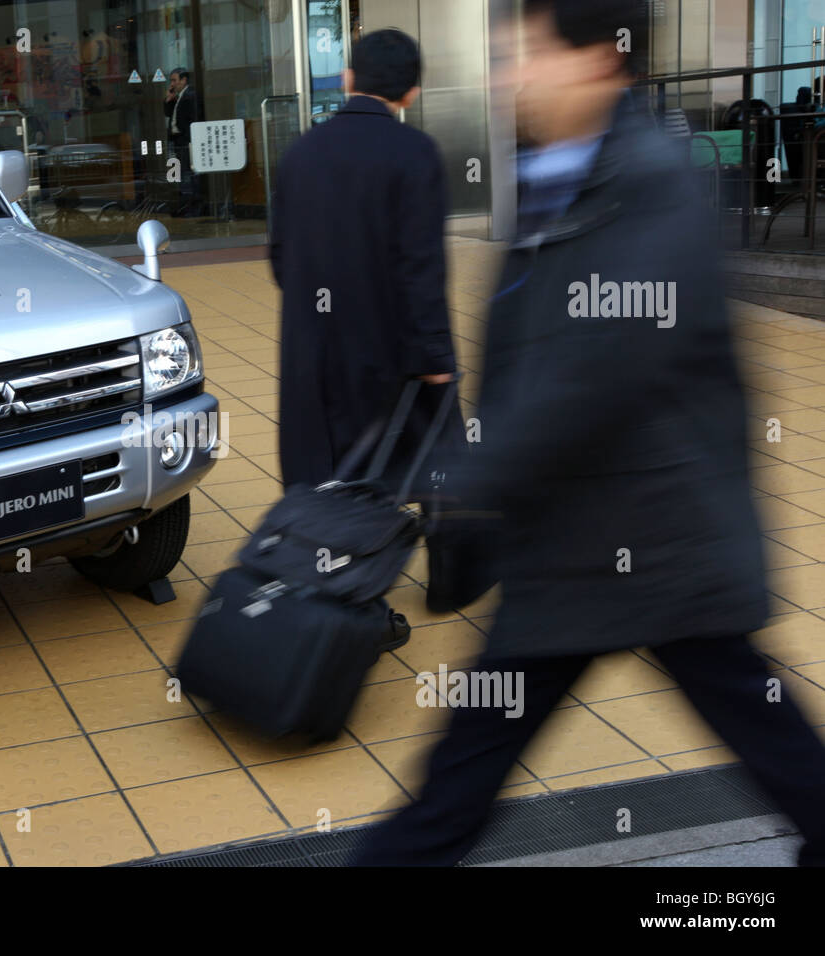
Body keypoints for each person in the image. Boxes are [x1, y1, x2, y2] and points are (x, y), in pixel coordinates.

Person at [355, 0, 825, 867]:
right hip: (586, 538)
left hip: (653, 534)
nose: (510, 75)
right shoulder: (552, 172)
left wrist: (468, 475)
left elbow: (602, 365)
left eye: (528, 53)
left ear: (601, 61)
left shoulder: (652, 179)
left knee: (464, 776)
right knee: (467, 771)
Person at [270, 29, 461, 575]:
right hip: (391, 349)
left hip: (315, 349)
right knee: (426, 455)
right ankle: (447, 575)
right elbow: (421, 268)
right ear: (412, 92)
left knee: (326, 465)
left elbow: (282, 258)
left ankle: (327, 579)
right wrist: (435, 357)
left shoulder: (302, 152)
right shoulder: (416, 153)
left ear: (348, 79)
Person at [164, 68, 201, 216]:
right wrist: (168, 100)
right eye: (171, 81)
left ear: (184, 80)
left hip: (186, 140)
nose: (172, 84)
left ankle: (192, 207)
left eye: (174, 80)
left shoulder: (190, 95)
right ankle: (183, 205)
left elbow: (192, 118)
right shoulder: (179, 96)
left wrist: (188, 137)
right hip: (178, 141)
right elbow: (168, 113)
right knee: (179, 173)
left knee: (188, 174)